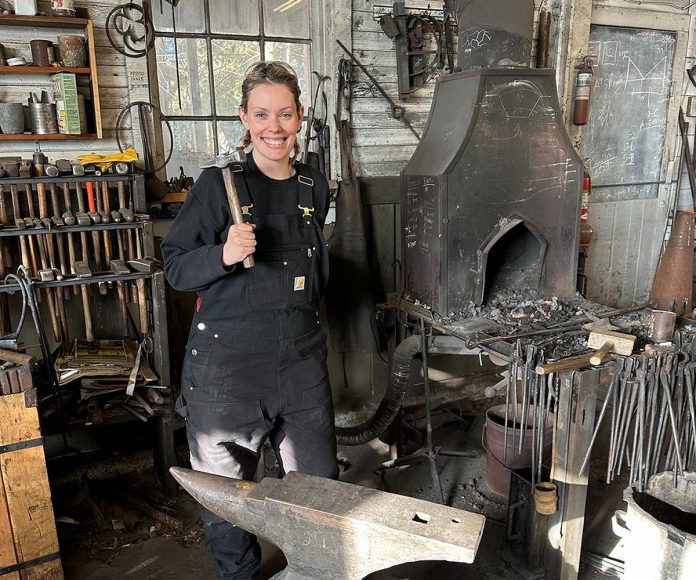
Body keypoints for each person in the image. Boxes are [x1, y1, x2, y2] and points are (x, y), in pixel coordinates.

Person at [161, 61, 339, 580]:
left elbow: (314, 272)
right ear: (244, 117)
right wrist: (221, 253)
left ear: (300, 116)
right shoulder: (219, 187)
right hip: (228, 370)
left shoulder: (314, 184)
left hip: (301, 361)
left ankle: (312, 572)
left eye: (284, 114)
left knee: (319, 492)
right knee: (228, 506)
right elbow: (174, 265)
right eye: (261, 114)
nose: (274, 127)